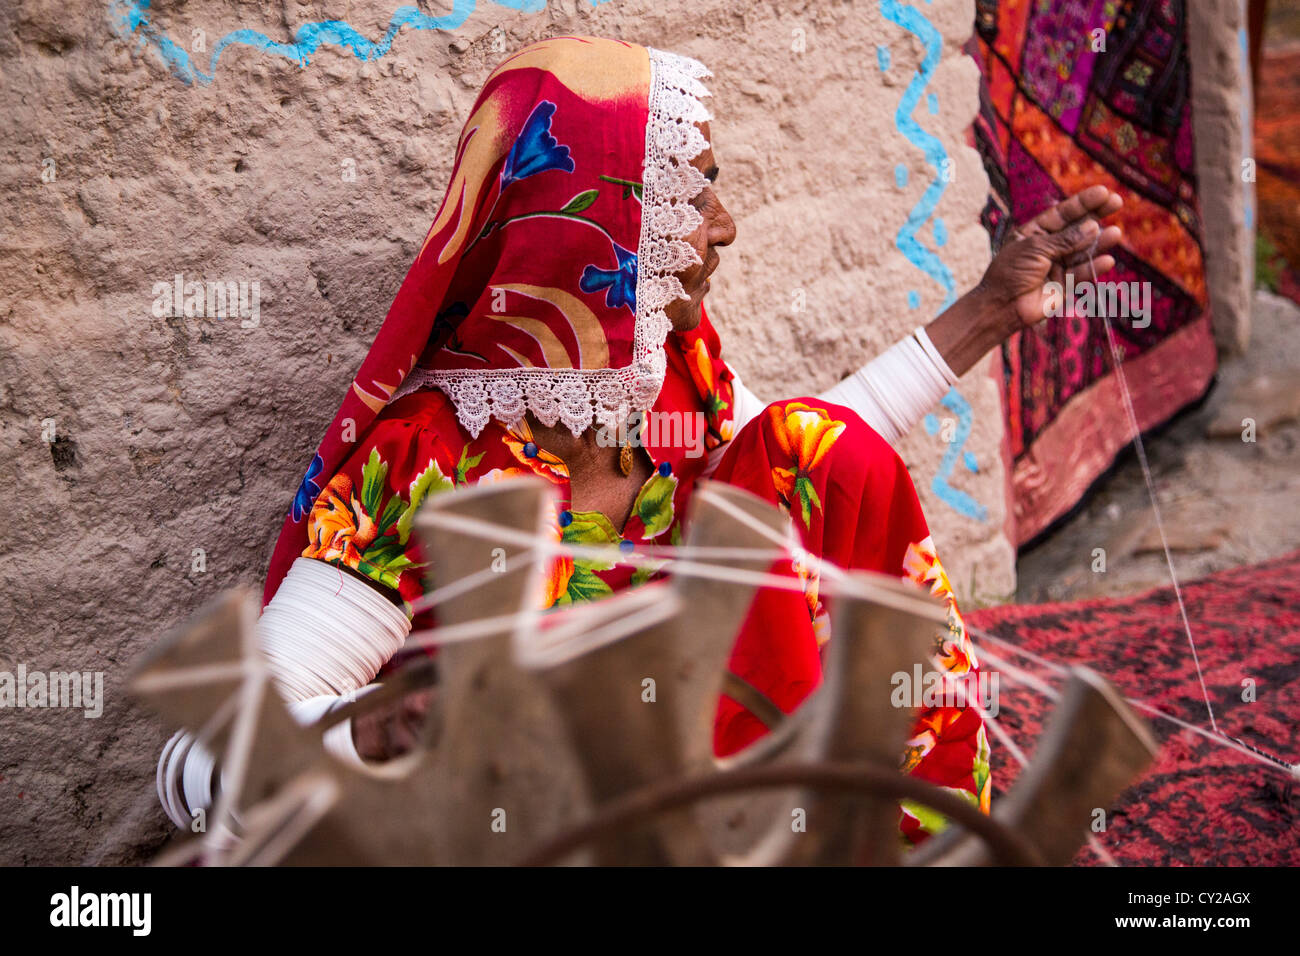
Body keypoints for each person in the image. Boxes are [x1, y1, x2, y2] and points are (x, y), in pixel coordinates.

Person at [158, 36, 1122, 845]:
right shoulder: (433, 461)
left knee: (808, 446)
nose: (723, 229)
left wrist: (991, 311)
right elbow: (197, 764)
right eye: (689, 197)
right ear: (598, 229)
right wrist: (379, 736)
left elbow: (825, 469)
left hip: (723, 813)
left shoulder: (669, 377)